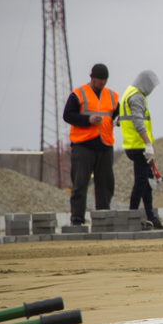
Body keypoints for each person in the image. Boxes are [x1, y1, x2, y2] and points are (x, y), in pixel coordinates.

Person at [63, 63, 120, 226]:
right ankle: (77, 219)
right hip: (83, 145)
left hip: (105, 145)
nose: (102, 83)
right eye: (99, 79)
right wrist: (87, 120)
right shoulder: (78, 94)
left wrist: (118, 120)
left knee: (105, 184)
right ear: (92, 78)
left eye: (104, 80)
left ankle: (103, 217)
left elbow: (117, 114)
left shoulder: (113, 96)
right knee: (80, 183)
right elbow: (68, 115)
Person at [118, 69, 163, 230]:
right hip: (139, 146)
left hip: (133, 145)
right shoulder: (137, 96)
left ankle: (151, 217)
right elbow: (138, 121)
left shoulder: (128, 93)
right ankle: (132, 217)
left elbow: (122, 118)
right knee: (141, 182)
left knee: (147, 182)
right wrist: (148, 144)